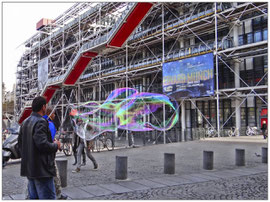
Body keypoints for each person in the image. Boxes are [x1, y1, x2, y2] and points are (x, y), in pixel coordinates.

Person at [18, 96, 61, 199]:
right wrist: (56, 145)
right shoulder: (41, 121)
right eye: (46, 105)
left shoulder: (25, 122)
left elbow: (20, 145)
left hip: (30, 169)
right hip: (42, 170)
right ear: (43, 107)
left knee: (34, 198)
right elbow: (42, 145)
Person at [44, 106, 68, 200]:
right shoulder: (50, 124)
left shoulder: (41, 122)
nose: (54, 115)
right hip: (49, 156)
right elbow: (49, 140)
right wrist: (56, 144)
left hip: (40, 157)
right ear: (50, 114)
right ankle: (57, 195)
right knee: (55, 175)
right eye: (53, 113)